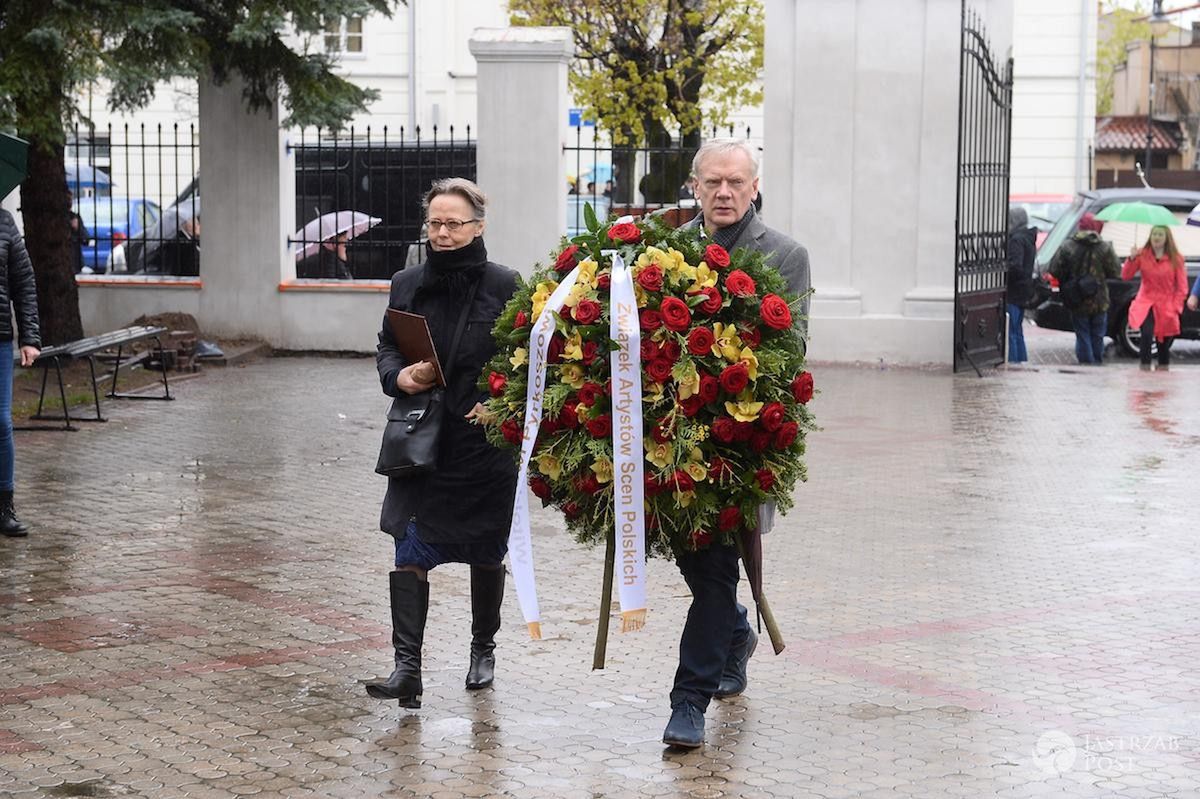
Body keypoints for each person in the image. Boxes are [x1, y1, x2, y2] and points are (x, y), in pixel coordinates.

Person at [666, 138, 810, 749]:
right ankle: (735, 634)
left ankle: (688, 702)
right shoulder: (667, 250)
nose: (724, 193)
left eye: (736, 182)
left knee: (718, 569)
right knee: (699, 568)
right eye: (712, 182)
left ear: (754, 187)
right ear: (695, 187)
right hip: (669, 442)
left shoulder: (784, 254)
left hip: (739, 441)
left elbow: (792, 344)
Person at [365, 178, 519, 708]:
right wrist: (400, 378)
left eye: (454, 223)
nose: (443, 233)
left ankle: (483, 648)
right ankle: (407, 668)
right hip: (421, 442)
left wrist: (501, 406)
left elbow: (523, 363)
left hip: (481, 447)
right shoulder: (406, 283)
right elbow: (387, 347)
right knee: (408, 549)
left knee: (485, 551)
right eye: (435, 223)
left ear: (478, 226)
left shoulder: (506, 284)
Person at [0, 209, 42, 537]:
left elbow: (24, 281)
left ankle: (4, 507)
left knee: (1, 421)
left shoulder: (4, 222)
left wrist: (30, 337)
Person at [1048, 213, 1119, 365]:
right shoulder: (1105, 247)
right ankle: (1096, 363)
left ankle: (1086, 366)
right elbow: (1116, 271)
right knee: (1098, 334)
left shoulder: (1068, 246)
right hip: (1100, 299)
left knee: (1082, 333)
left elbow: (1054, 269)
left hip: (1077, 297)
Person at [1121, 225, 1189, 370]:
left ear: (1166, 238)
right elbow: (1126, 275)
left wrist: (1176, 307)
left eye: (1160, 235)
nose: (1156, 238)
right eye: (1154, 234)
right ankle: (1144, 369)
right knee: (1146, 334)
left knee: (1163, 343)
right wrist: (1131, 259)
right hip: (1146, 301)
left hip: (1167, 305)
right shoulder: (1142, 255)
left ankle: (1163, 372)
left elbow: (1182, 287)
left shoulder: (1176, 259)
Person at [1005, 207, 1037, 363]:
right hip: (1024, 289)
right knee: (1017, 330)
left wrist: (1004, 271)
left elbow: (1015, 266)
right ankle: (1021, 361)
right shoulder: (1028, 238)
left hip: (1014, 291)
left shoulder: (1016, 240)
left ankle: (1014, 362)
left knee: (1011, 330)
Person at [67, 192, 89, 274]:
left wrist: (77, 228)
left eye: (70, 199)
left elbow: (86, 240)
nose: (69, 202)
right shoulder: (57, 218)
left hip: (75, 261)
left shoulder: (75, 217)